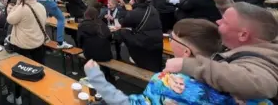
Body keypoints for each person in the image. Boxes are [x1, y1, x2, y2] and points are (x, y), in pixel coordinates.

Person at [84, 19, 271, 104]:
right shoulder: (242, 81)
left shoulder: (169, 82)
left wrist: (96, 78)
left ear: (186, 51)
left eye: (173, 37)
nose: (170, 39)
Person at [164, 2, 278, 101]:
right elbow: (246, 19)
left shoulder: (264, 60)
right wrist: (223, 3)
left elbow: (257, 83)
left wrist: (189, 65)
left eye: (224, 22)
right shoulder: (262, 43)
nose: (218, 22)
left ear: (243, 35)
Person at [6, 0, 47, 104]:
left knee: (20, 71)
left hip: (23, 45)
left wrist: (16, 5)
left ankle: (18, 96)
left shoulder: (22, 8)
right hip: (38, 43)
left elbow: (9, 19)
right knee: (39, 69)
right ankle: (42, 94)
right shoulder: (41, 6)